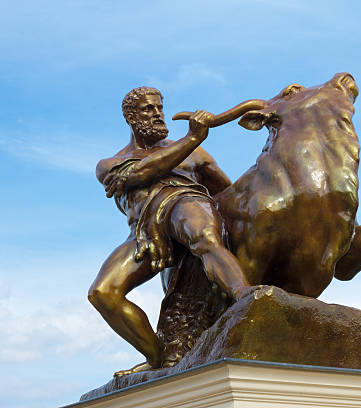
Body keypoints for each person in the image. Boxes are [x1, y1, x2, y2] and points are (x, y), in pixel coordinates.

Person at [88, 87, 250, 376]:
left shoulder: (196, 154)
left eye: (160, 108)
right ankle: (158, 357)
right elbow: (140, 174)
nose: (158, 114)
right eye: (149, 110)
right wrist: (191, 139)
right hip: (145, 234)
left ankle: (246, 298)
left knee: (204, 237)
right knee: (103, 293)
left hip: (187, 203)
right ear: (130, 117)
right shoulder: (110, 164)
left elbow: (228, 193)